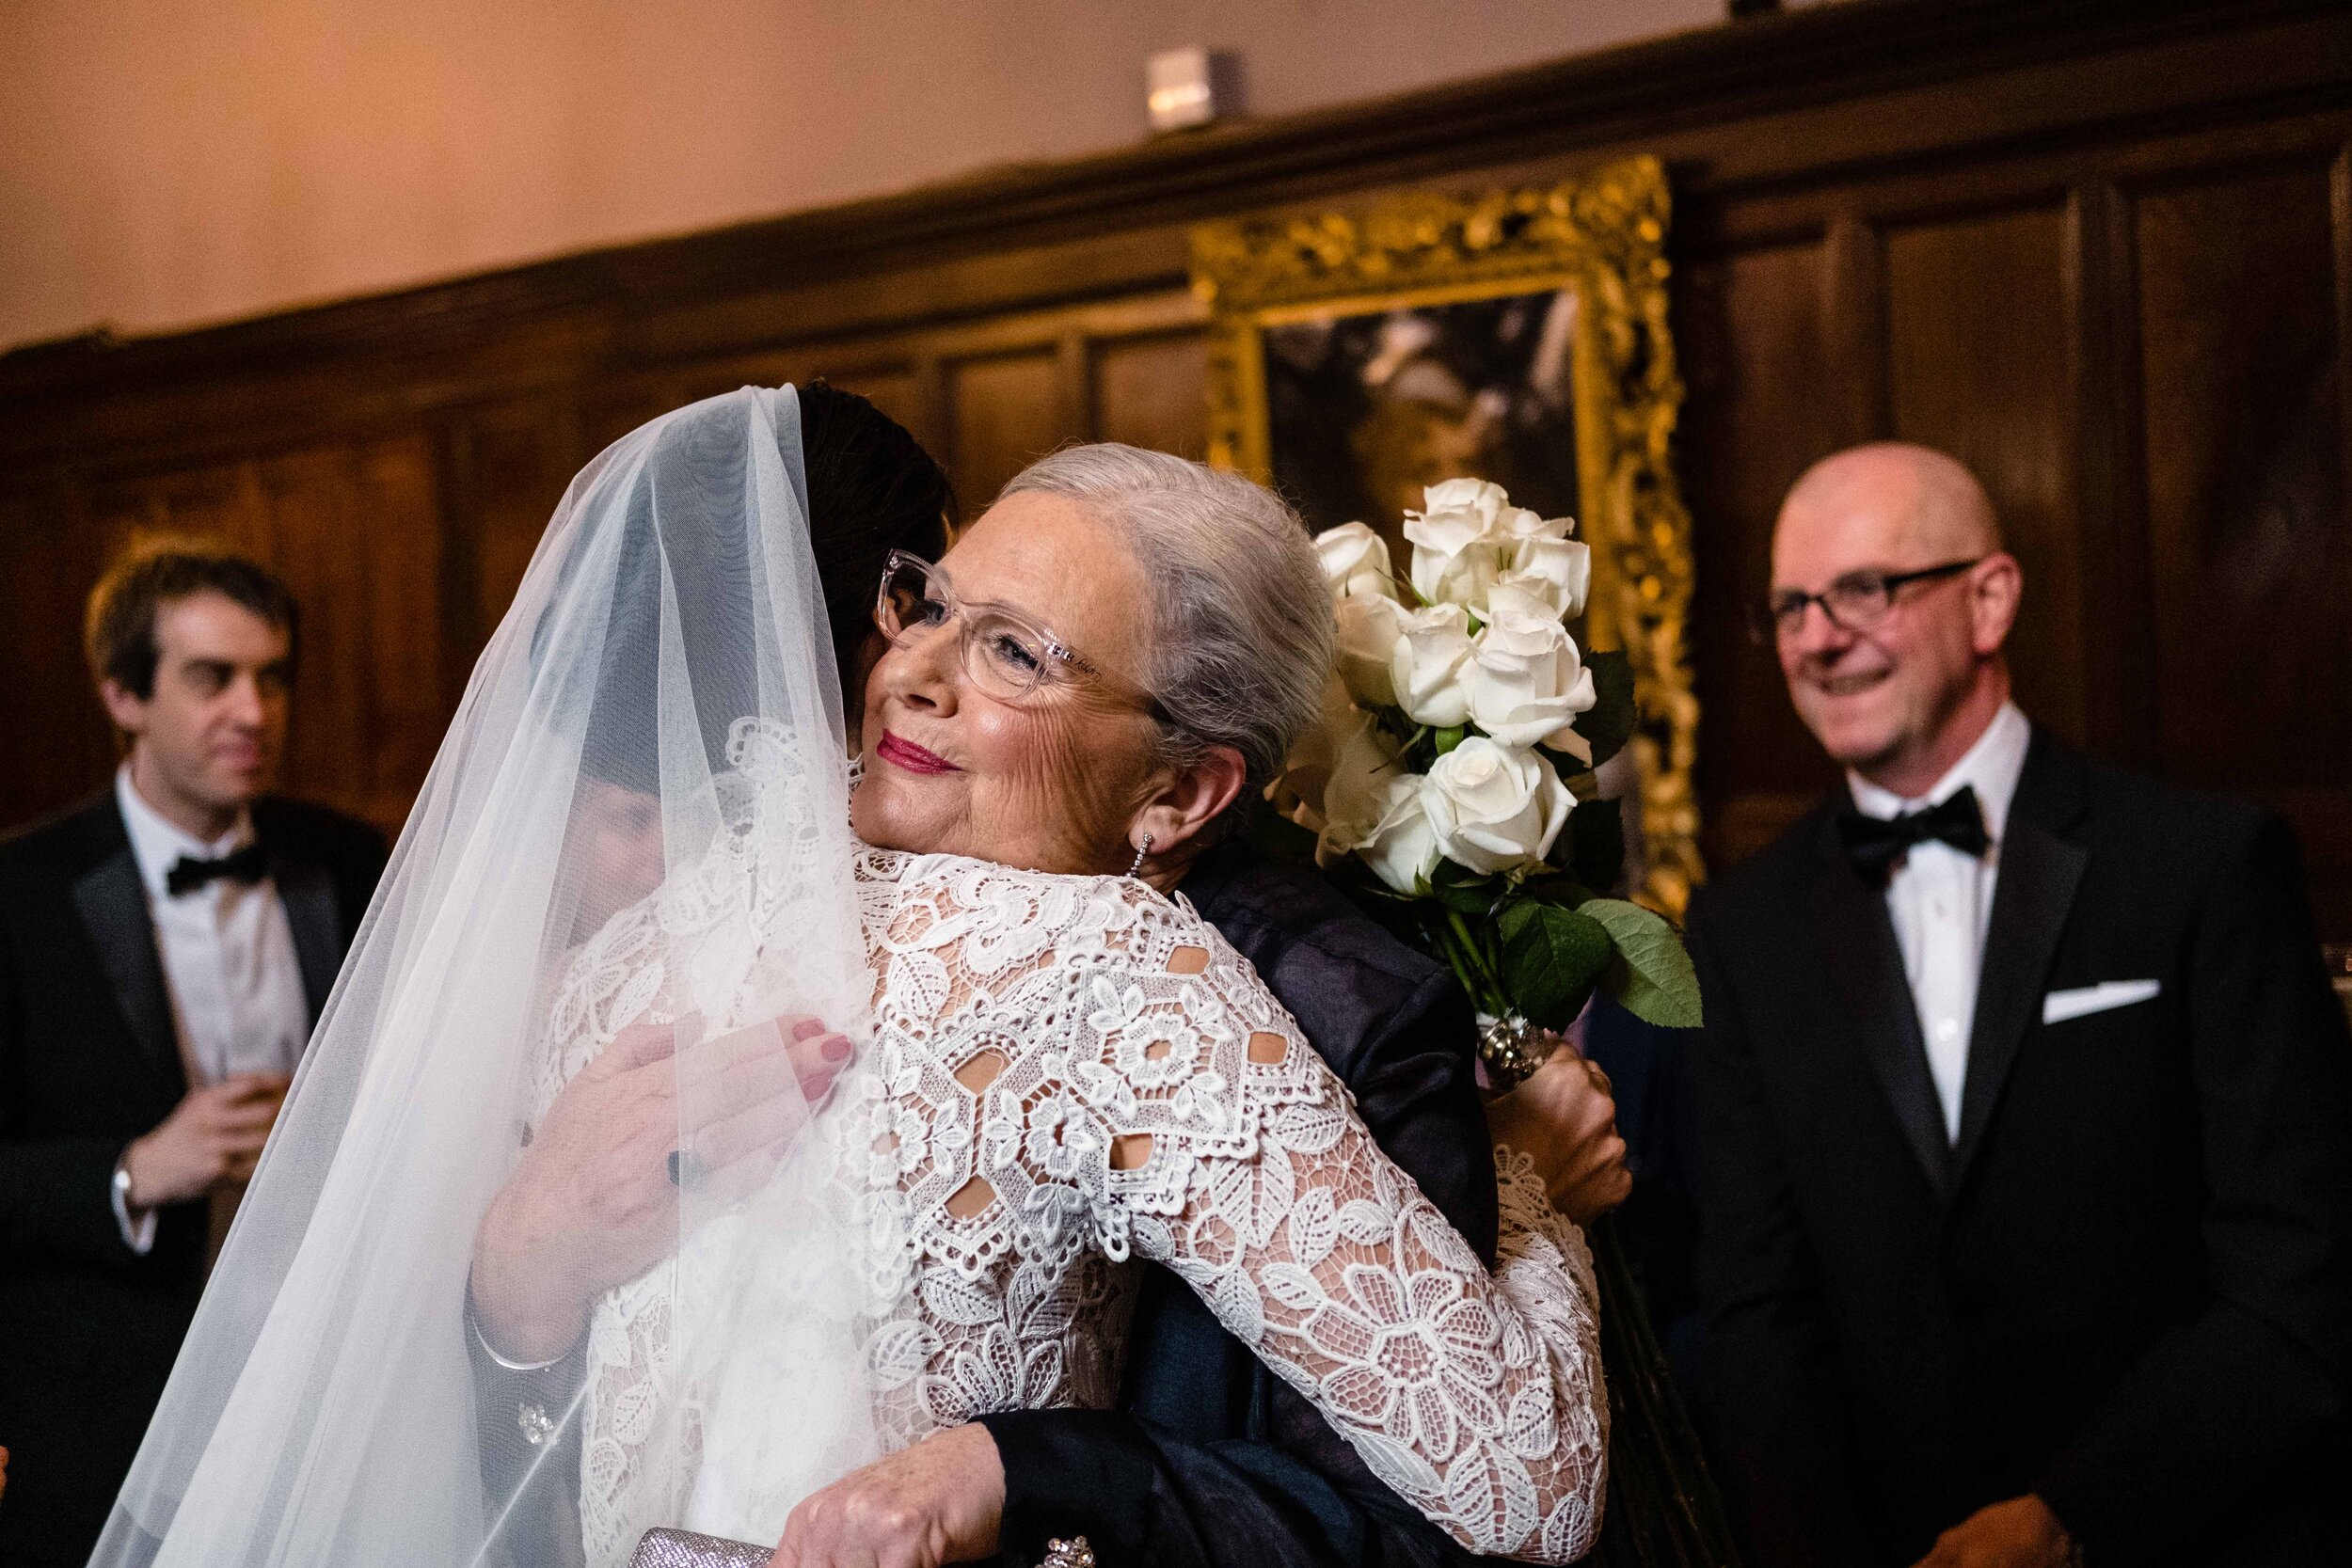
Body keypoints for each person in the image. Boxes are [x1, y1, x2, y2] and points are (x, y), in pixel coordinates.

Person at [93, 390, 1613, 1568]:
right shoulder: (656, 942)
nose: (917, 669)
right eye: (930, 600)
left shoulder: (1128, 976)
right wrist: (519, 1268)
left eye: (1018, 651)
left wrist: (1512, 1183)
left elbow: (1512, 1492)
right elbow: (491, 1431)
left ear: (1182, 794)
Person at [1688, 442, 2352, 1567]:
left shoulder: (2199, 868)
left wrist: (2071, 1519)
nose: (1816, 635)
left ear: (1989, 598)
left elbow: (2306, 1267)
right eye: (1790, 605)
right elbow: (1756, 1313)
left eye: (1864, 589)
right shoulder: (1740, 928)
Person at [0, 544, 386, 1566]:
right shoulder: (20, 892)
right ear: (123, 694)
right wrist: (131, 1170)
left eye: (271, 676)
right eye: (211, 678)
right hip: (109, 1413)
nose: (253, 712)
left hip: (330, 1390)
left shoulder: (353, 860)